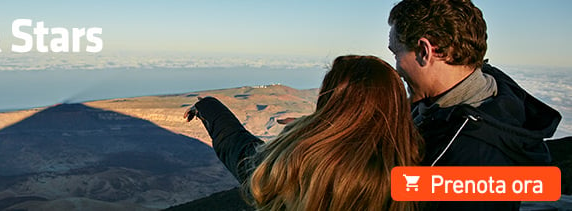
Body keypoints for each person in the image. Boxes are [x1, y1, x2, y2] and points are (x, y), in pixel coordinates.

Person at [185, 55, 423, 210]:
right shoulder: (417, 169)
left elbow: (241, 153)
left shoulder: (301, 163)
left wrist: (209, 108)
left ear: (331, 101)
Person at [387, 0, 562, 209]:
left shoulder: (472, 159)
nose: (396, 67)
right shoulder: (450, 104)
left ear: (425, 51)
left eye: (396, 53)